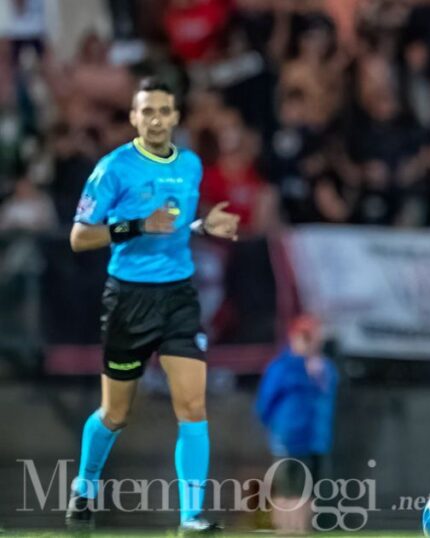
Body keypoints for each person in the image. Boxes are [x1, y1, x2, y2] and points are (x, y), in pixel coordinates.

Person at [64, 77, 239, 534]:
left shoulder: (190, 165)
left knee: (193, 406)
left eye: (164, 111)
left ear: (176, 116)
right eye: (147, 111)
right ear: (134, 118)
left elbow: (175, 226)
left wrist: (203, 226)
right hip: (128, 300)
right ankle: (85, 484)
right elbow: (79, 237)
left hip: (179, 297)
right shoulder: (113, 168)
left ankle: (190, 517)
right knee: (116, 413)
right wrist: (136, 225)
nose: (156, 119)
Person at [256, 314, 339, 534]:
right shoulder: (282, 367)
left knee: (307, 493)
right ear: (293, 337)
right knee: (285, 491)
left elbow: (328, 397)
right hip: (288, 439)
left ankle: (301, 531)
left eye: (313, 337)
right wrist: (278, 430)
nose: (310, 343)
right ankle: (284, 531)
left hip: (316, 440)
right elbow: (265, 403)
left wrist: (317, 375)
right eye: (305, 337)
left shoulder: (324, 367)